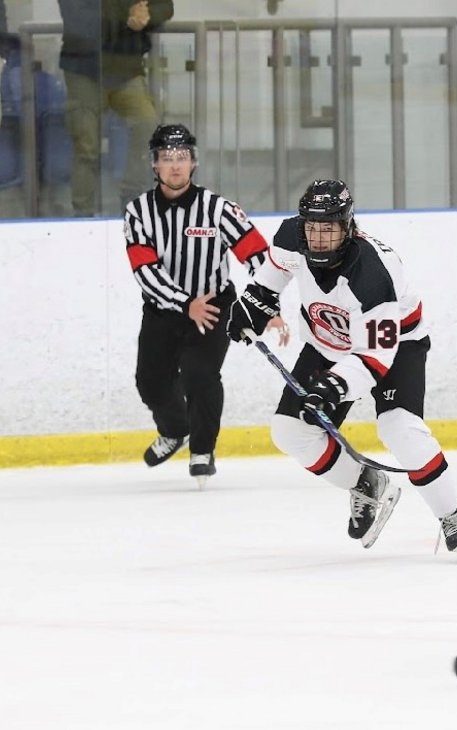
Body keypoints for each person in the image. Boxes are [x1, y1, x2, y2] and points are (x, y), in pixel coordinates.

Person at [226, 179, 457, 562]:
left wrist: (334, 386)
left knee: (398, 428)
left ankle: (452, 513)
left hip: (397, 347)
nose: (319, 239)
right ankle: (366, 481)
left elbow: (375, 358)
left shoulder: (374, 273)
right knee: (290, 430)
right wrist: (253, 304)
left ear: (348, 226)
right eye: (312, 228)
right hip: (327, 343)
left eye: (329, 229)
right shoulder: (291, 235)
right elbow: (273, 276)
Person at [124, 123, 289, 487]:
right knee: (150, 382)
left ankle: (202, 449)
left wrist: (266, 305)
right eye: (167, 158)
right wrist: (185, 304)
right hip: (162, 311)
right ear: (154, 164)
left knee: (200, 375)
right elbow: (144, 270)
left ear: (194, 162)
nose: (175, 166)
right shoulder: (138, 212)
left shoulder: (219, 209)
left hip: (214, 306)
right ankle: (175, 428)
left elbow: (257, 255)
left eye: (182, 157)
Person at [58, 0, 173, 216]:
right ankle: (83, 213)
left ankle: (131, 196)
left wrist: (146, 15)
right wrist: (129, 17)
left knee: (147, 126)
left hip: (126, 68)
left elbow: (165, 5)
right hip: (84, 69)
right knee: (86, 145)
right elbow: (79, 16)